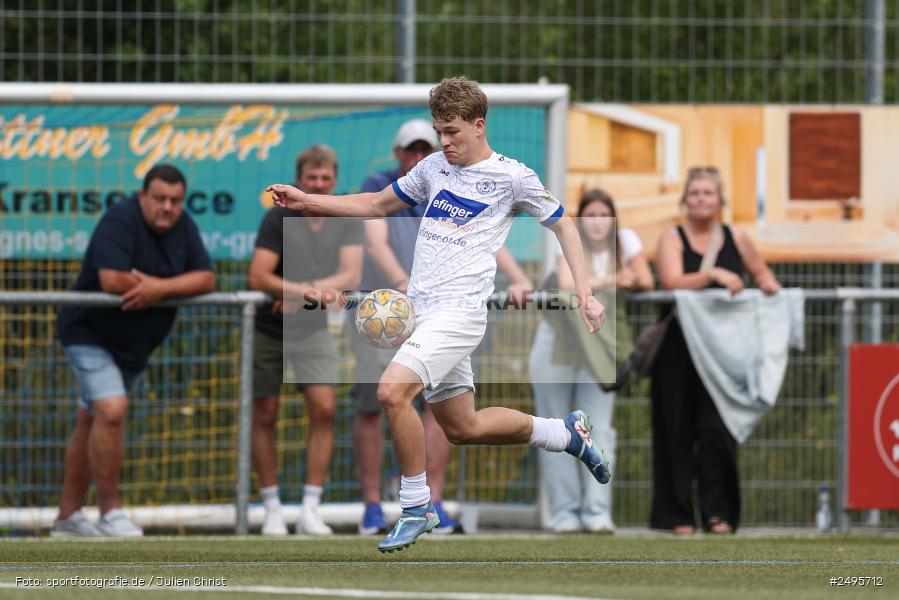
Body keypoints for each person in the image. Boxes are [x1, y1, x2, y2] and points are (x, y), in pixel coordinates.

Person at [267, 77, 609, 553]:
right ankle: (564, 433)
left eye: (452, 132)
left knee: (390, 392)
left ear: (478, 124)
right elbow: (373, 204)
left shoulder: (513, 177)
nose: (444, 142)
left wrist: (586, 293)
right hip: (422, 315)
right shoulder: (432, 168)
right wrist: (308, 201)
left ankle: (415, 507)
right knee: (462, 427)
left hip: (460, 315)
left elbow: (564, 226)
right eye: (438, 132)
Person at [353, 119, 535, 535]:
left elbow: (483, 238)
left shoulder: (463, 177)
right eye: (416, 147)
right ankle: (563, 433)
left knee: (398, 395)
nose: (425, 153)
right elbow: (374, 230)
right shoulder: (402, 180)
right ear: (398, 153)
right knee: (452, 423)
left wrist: (521, 278)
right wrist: (401, 285)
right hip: (385, 312)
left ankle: (423, 502)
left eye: (431, 144)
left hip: (445, 312)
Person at [53, 164, 215, 537]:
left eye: (175, 200)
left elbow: (206, 278)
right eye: (159, 198)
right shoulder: (119, 219)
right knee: (112, 409)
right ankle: (111, 512)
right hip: (88, 333)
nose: (167, 207)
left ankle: (67, 517)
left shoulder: (184, 225)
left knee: (91, 418)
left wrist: (158, 288)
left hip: (134, 347)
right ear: (142, 196)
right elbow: (113, 278)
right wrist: (176, 285)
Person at [652, 166, 781, 535]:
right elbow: (673, 280)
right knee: (675, 429)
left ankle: (718, 514)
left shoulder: (736, 236)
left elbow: (762, 274)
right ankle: (676, 515)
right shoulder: (672, 237)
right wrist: (713, 276)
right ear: (685, 200)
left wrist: (769, 286)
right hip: (679, 350)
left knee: (717, 430)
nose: (701, 200)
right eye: (694, 193)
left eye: (708, 193)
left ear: (719, 200)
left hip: (726, 355)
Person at [248, 145, 363, 536]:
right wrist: (301, 290)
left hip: (312, 328)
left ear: (333, 181)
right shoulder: (276, 217)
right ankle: (272, 507)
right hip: (267, 328)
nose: (317, 184)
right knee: (263, 414)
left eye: (325, 179)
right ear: (300, 180)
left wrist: (303, 293)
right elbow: (259, 276)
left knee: (325, 410)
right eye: (311, 178)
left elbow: (350, 274)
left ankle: (311, 508)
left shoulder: (344, 218)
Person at [529, 188, 652, 533]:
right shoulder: (567, 239)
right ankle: (564, 514)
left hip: (600, 349)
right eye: (591, 215)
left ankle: (597, 513)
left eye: (604, 215)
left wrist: (623, 276)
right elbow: (568, 285)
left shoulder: (625, 240)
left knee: (599, 430)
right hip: (559, 344)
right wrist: (612, 279)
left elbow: (645, 278)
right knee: (553, 431)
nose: (597, 223)